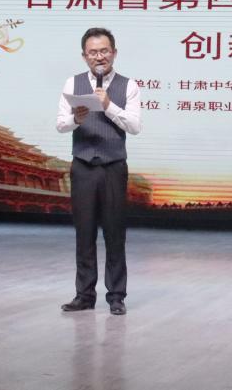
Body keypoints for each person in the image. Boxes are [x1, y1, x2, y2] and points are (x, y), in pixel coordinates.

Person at [56, 27, 142, 316]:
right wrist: (76, 119)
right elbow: (60, 125)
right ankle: (84, 295)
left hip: (113, 166)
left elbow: (135, 126)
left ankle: (116, 296)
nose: (99, 57)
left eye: (104, 51)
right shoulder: (73, 82)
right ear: (84, 56)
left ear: (114, 53)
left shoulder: (129, 86)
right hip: (82, 166)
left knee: (115, 233)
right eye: (92, 52)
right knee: (84, 233)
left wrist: (108, 105)